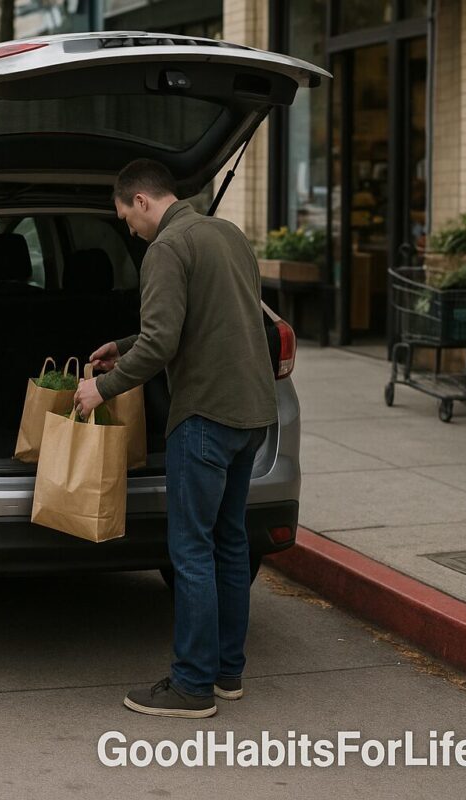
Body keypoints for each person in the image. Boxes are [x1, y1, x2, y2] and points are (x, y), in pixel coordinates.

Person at [72, 158, 277, 719]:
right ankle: (227, 672)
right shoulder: (226, 234)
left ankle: (191, 686)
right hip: (253, 414)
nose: (129, 231)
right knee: (230, 544)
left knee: (191, 550)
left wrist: (103, 388)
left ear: (142, 201)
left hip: (205, 415)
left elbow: (163, 342)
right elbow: (198, 321)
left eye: (126, 218)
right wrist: (125, 341)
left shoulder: (165, 247)